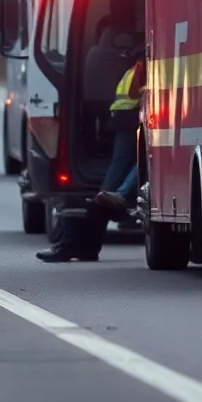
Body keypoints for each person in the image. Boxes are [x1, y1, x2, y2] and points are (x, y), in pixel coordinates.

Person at [36, 46, 144, 263]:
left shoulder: (136, 65)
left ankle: (77, 247)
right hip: (134, 117)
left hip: (128, 117)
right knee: (111, 187)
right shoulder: (145, 65)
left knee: (135, 166)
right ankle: (80, 247)